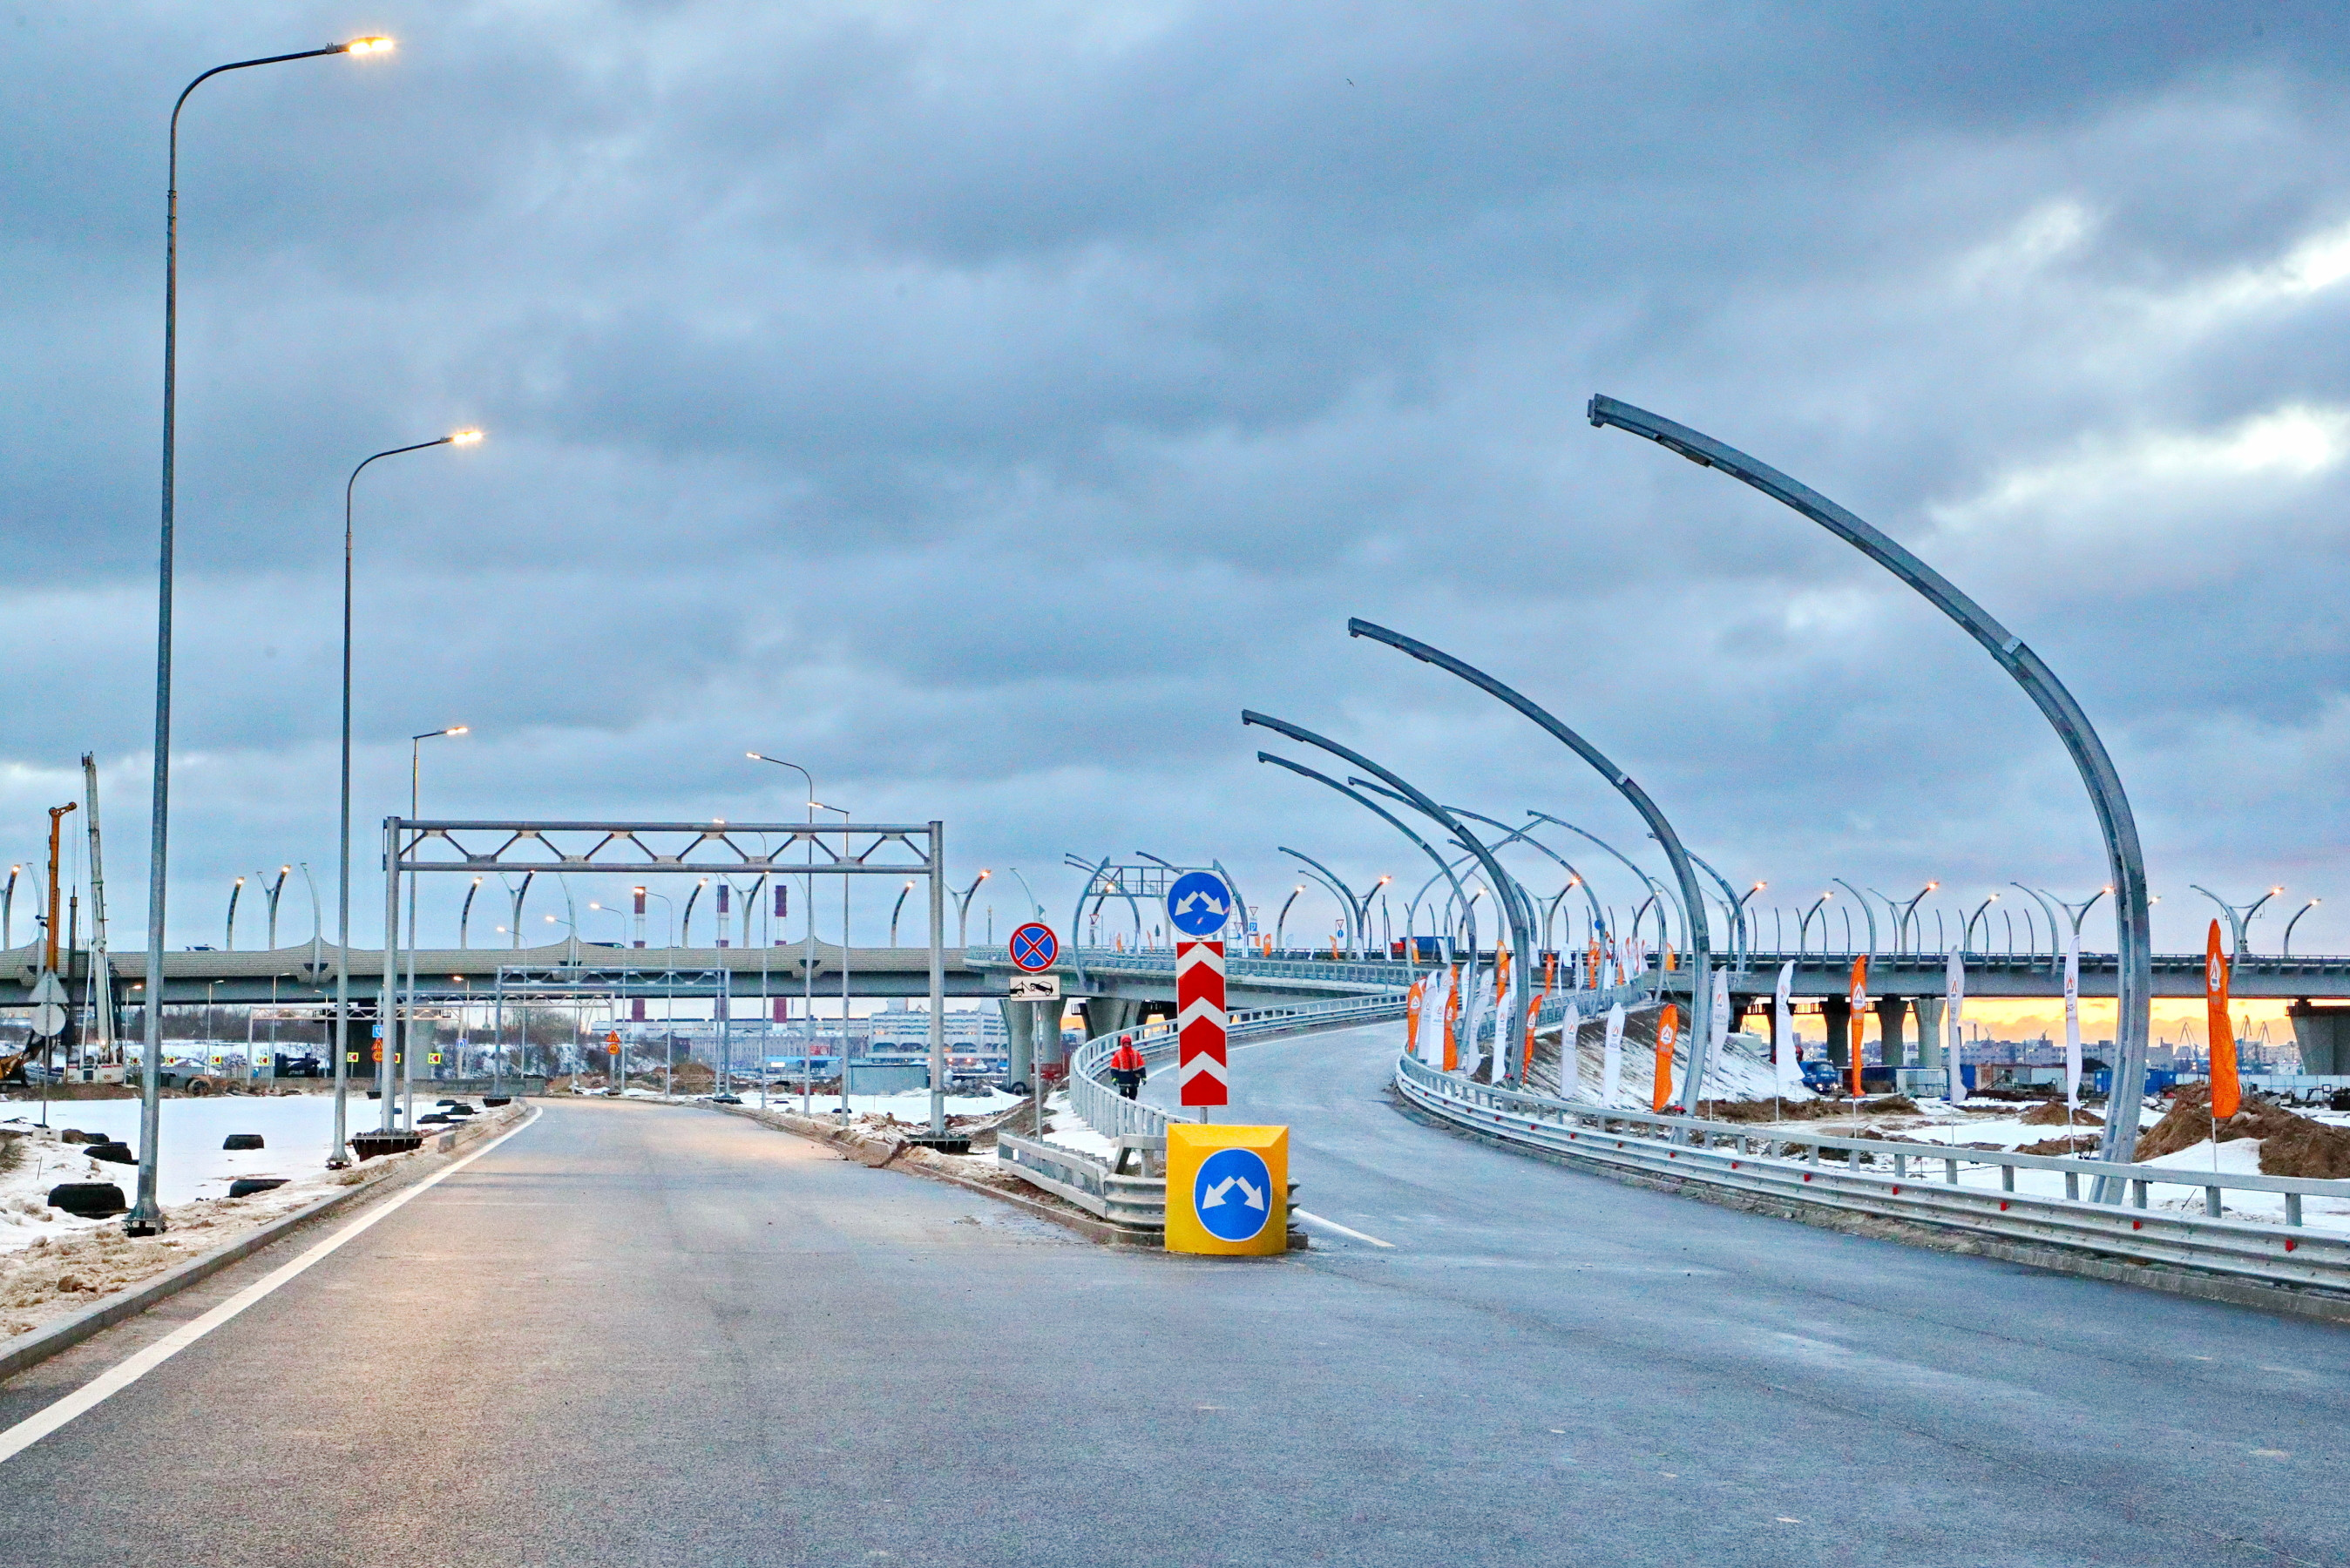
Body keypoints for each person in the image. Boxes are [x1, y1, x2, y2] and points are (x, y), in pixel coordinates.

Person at [1107, 1034, 1147, 1099]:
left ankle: (1131, 1107)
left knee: (1133, 1095)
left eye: (1128, 1043)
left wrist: (1143, 1077)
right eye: (1125, 1043)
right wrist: (1114, 1078)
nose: (1127, 1045)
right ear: (1122, 1044)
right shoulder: (1118, 1054)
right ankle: (1124, 1107)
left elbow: (1141, 1066)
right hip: (1123, 1079)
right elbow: (1114, 1067)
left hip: (1134, 1078)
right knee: (1123, 1094)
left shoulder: (1136, 1053)